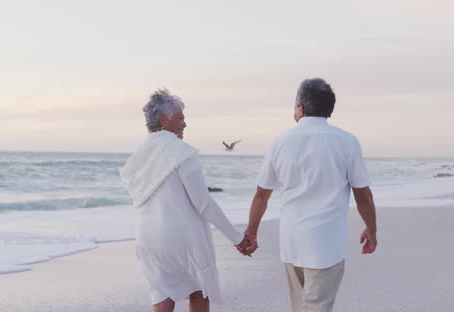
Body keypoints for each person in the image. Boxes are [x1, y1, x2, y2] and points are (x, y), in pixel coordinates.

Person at [239, 78, 378, 312]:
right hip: (326, 243)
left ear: (300, 107)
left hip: (292, 242)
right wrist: (371, 229)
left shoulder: (280, 142)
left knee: (300, 306)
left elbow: (261, 195)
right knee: (316, 307)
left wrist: (251, 232)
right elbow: (363, 196)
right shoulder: (346, 141)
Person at [120, 89, 253, 312]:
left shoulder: (139, 156)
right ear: (163, 119)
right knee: (200, 290)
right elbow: (203, 203)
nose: (185, 124)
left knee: (162, 292)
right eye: (180, 118)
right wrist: (237, 238)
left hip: (147, 240)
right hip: (180, 240)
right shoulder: (180, 151)